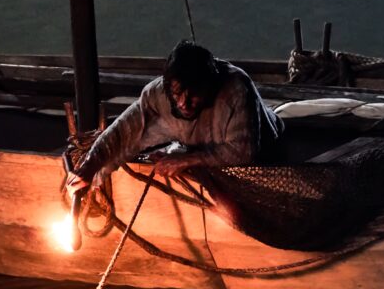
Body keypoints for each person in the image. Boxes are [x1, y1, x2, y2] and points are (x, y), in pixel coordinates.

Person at [66, 40, 283, 195]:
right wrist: (88, 167)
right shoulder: (157, 93)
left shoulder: (235, 89)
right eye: (177, 93)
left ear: (209, 86)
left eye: (194, 95)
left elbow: (244, 153)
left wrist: (185, 160)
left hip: (264, 149)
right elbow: (122, 131)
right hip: (200, 142)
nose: (183, 104)